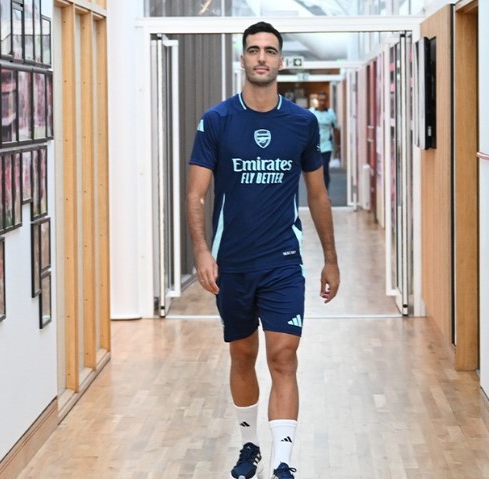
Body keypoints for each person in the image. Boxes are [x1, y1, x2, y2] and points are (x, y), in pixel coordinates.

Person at [186, 21, 340, 479]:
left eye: (269, 51)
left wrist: (331, 257)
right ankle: (249, 444)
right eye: (253, 50)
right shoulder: (217, 121)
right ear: (242, 59)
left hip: (283, 264)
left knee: (284, 357)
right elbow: (196, 194)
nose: (260, 58)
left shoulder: (301, 123)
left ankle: (283, 461)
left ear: (280, 60)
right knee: (241, 355)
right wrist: (201, 252)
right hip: (231, 263)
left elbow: (317, 196)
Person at [308, 91, 338, 190]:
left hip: (326, 146)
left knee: (324, 169)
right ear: (317, 100)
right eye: (320, 100)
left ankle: (325, 192)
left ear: (326, 101)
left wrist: (338, 146)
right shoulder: (311, 112)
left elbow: (336, 129)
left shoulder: (330, 113)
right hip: (313, 147)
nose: (322, 102)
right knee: (314, 170)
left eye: (324, 100)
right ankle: (316, 191)